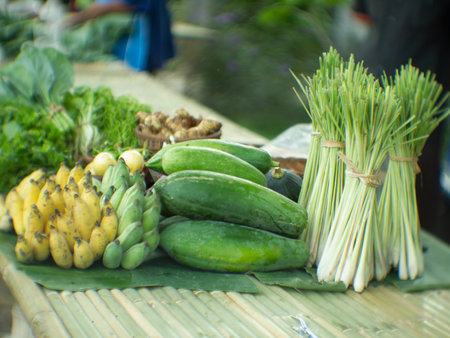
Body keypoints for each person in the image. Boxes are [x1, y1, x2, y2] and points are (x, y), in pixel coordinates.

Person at [352, 0, 450, 243]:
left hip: (422, 99)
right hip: (371, 83)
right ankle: (368, 236)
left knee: (416, 178)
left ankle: (417, 242)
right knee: (364, 168)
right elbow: (362, 15)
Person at [66, 0, 175, 74]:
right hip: (127, 34)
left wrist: (97, 10)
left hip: (143, 33)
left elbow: (135, 3)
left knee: (144, 73)